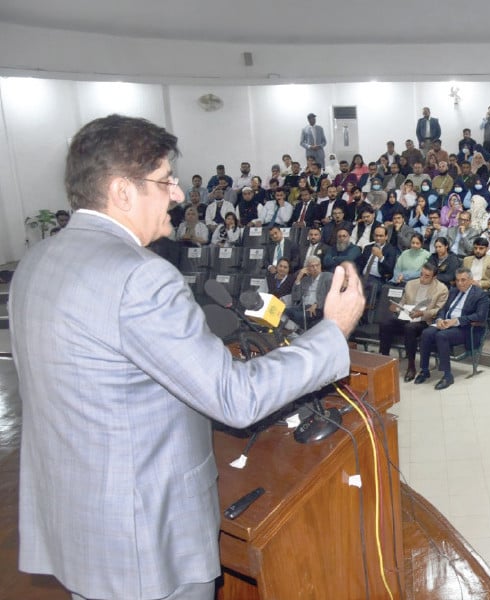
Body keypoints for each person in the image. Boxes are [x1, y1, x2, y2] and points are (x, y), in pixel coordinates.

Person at [9, 114, 364, 600]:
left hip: (78, 524)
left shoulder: (37, 261)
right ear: (122, 191)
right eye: (166, 180)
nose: (178, 195)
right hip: (147, 542)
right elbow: (235, 399)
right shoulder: (140, 277)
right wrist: (332, 332)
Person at [415, 268, 490, 390]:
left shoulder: (480, 295)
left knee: (441, 336)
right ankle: (424, 370)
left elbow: (480, 316)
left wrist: (456, 321)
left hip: (465, 328)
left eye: (463, 280)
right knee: (426, 333)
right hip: (446, 323)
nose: (460, 283)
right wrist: (439, 319)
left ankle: (447, 375)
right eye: (457, 280)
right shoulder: (454, 291)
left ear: (471, 280)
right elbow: (443, 310)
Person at [379, 262, 448, 382]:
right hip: (408, 316)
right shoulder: (411, 284)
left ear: (434, 277)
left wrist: (422, 313)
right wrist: (396, 308)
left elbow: (438, 310)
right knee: (386, 323)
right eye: (421, 274)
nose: (422, 278)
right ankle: (384, 359)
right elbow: (403, 301)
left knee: (410, 328)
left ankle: (411, 366)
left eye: (427, 276)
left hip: (424, 320)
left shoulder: (441, 289)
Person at [284, 256, 333, 332]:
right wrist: (299, 278)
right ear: (307, 268)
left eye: (317, 265)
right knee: (284, 311)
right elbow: (296, 297)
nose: (315, 268)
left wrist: (317, 304)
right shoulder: (305, 280)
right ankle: (295, 330)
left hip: (317, 308)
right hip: (302, 307)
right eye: (312, 266)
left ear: (320, 265)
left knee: (296, 316)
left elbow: (331, 294)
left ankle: (297, 331)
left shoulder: (328, 277)